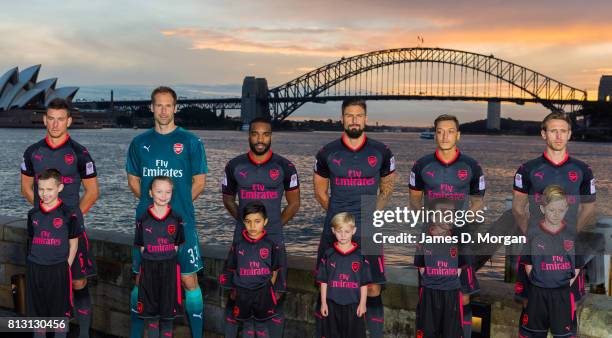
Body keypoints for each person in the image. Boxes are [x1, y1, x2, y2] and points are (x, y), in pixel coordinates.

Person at [126, 86, 208, 338]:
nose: (163, 110)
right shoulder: (139, 143)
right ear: (151, 107)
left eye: (168, 105)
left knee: (188, 281)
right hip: (147, 225)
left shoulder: (191, 142)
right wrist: (155, 207)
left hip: (182, 224)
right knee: (141, 282)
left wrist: (172, 208)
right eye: (158, 105)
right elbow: (133, 180)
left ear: (175, 107)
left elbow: (199, 181)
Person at [313, 98, 395, 338]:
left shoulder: (382, 151)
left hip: (368, 227)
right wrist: (340, 219)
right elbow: (319, 190)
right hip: (336, 228)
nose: (354, 120)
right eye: (349, 115)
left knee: (372, 287)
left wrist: (370, 214)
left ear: (366, 119)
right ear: (342, 119)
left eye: (359, 115)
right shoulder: (327, 152)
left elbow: (387, 188)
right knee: (327, 284)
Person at [21, 98, 99, 338]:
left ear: (69, 121)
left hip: (71, 231)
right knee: (43, 287)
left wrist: (69, 220)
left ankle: (84, 333)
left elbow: (93, 192)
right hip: (43, 234)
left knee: (78, 283)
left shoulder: (80, 153)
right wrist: (45, 216)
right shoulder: (32, 152)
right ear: (44, 120)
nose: (55, 124)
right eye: (51, 118)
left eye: (60, 119)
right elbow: (26, 189)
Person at [221, 117, 300, 337]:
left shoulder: (285, 166)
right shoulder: (234, 165)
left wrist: (272, 225)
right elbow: (228, 199)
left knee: (276, 296)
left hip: (274, 239)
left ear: (271, 136)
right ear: (249, 135)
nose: (260, 139)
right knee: (235, 296)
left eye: (265, 134)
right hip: (242, 241)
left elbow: (294, 204)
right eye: (255, 133)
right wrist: (245, 223)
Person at [409, 114, 484, 337]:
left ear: (458, 135)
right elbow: (414, 202)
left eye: (450, 131)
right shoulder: (421, 165)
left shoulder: (471, 166)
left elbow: (477, 204)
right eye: (440, 131)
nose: (445, 136)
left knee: (464, 294)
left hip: (459, 239)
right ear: (435, 134)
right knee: (428, 291)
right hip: (430, 239)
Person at [512, 112, 596, 305]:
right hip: (535, 248)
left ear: (569, 134)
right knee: (530, 305)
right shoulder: (527, 169)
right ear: (544, 134)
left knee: (569, 304)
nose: (558, 136)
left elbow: (589, 209)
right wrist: (532, 234)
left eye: (563, 131)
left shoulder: (583, 170)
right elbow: (518, 208)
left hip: (569, 247)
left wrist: (571, 233)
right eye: (553, 131)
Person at [518, 185, 582, 337]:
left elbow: (578, 265)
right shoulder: (533, 234)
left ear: (566, 209)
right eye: (552, 210)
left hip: (562, 294)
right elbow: (527, 263)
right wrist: (540, 281)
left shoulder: (572, 234)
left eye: (561, 210)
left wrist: (562, 283)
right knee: (533, 333)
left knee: (563, 334)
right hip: (538, 293)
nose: (556, 214)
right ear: (542, 208)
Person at [26, 169, 82, 338]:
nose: (45, 193)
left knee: (59, 317)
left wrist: (66, 265)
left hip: (58, 269)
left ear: (60, 188)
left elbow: (73, 243)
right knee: (38, 316)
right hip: (35, 268)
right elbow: (31, 240)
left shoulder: (69, 214)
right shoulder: (33, 214)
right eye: (41, 189)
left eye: (49, 189)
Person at [219, 202, 283, 338]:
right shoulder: (238, 245)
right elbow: (231, 268)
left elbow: (275, 269)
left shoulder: (271, 245)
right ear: (243, 222)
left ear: (265, 222)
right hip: (242, 292)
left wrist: (268, 287)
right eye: (248, 222)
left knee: (261, 326)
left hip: (263, 293)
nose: (253, 226)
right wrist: (233, 290)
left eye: (257, 221)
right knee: (247, 325)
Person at [134, 176, 185, 338]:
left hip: (169, 270)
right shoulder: (143, 219)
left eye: (167, 192)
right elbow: (142, 248)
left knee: (167, 318)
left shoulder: (176, 218)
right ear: (150, 193)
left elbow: (177, 246)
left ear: (172, 193)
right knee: (152, 319)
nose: (163, 196)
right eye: (159, 191)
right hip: (149, 269)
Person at [414, 198, 468, 338]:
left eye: (452, 212)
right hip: (429, 293)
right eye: (444, 212)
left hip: (451, 294)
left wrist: (446, 279)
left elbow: (458, 269)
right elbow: (422, 267)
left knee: (451, 333)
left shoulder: (459, 240)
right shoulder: (423, 239)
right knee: (427, 331)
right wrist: (435, 279)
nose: (448, 216)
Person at [317, 212, 370, 338]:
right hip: (332, 304)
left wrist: (363, 303)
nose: (343, 235)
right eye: (339, 231)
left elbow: (364, 283)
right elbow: (323, 281)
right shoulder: (328, 254)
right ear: (333, 231)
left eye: (347, 231)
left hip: (353, 304)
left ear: (354, 231)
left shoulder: (360, 255)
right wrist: (323, 302)